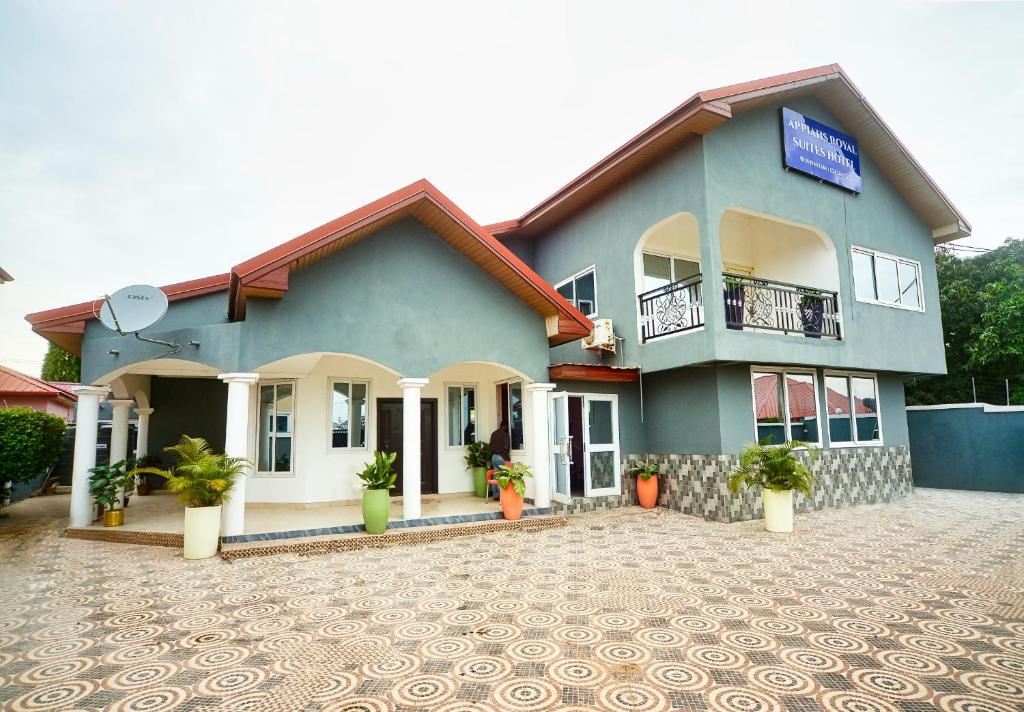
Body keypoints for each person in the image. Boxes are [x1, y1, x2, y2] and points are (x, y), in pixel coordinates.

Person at [488, 420, 511, 496]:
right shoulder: (505, 434)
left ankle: (495, 495)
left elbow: (490, 446)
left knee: (496, 475)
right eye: (507, 426)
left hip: (494, 457)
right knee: (504, 475)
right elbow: (506, 447)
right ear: (504, 426)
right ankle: (502, 494)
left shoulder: (494, 434)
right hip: (501, 457)